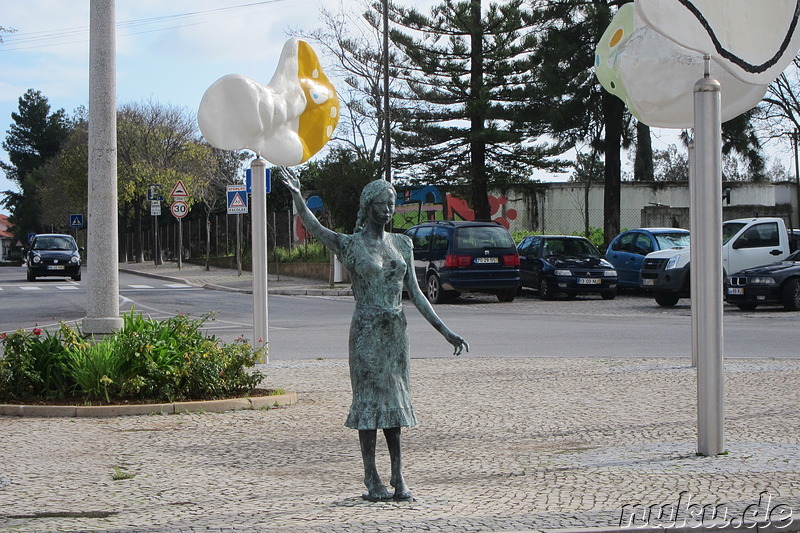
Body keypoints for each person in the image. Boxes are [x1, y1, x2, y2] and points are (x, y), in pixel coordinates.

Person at [280, 168, 469, 502]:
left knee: (395, 405)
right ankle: (372, 477)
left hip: (396, 333)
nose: (386, 210)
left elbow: (417, 292)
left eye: (391, 204)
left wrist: (445, 330)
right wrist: (298, 197)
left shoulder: (402, 243)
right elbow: (316, 228)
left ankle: (399, 476)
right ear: (367, 207)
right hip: (367, 330)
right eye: (380, 204)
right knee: (369, 404)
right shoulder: (350, 245)